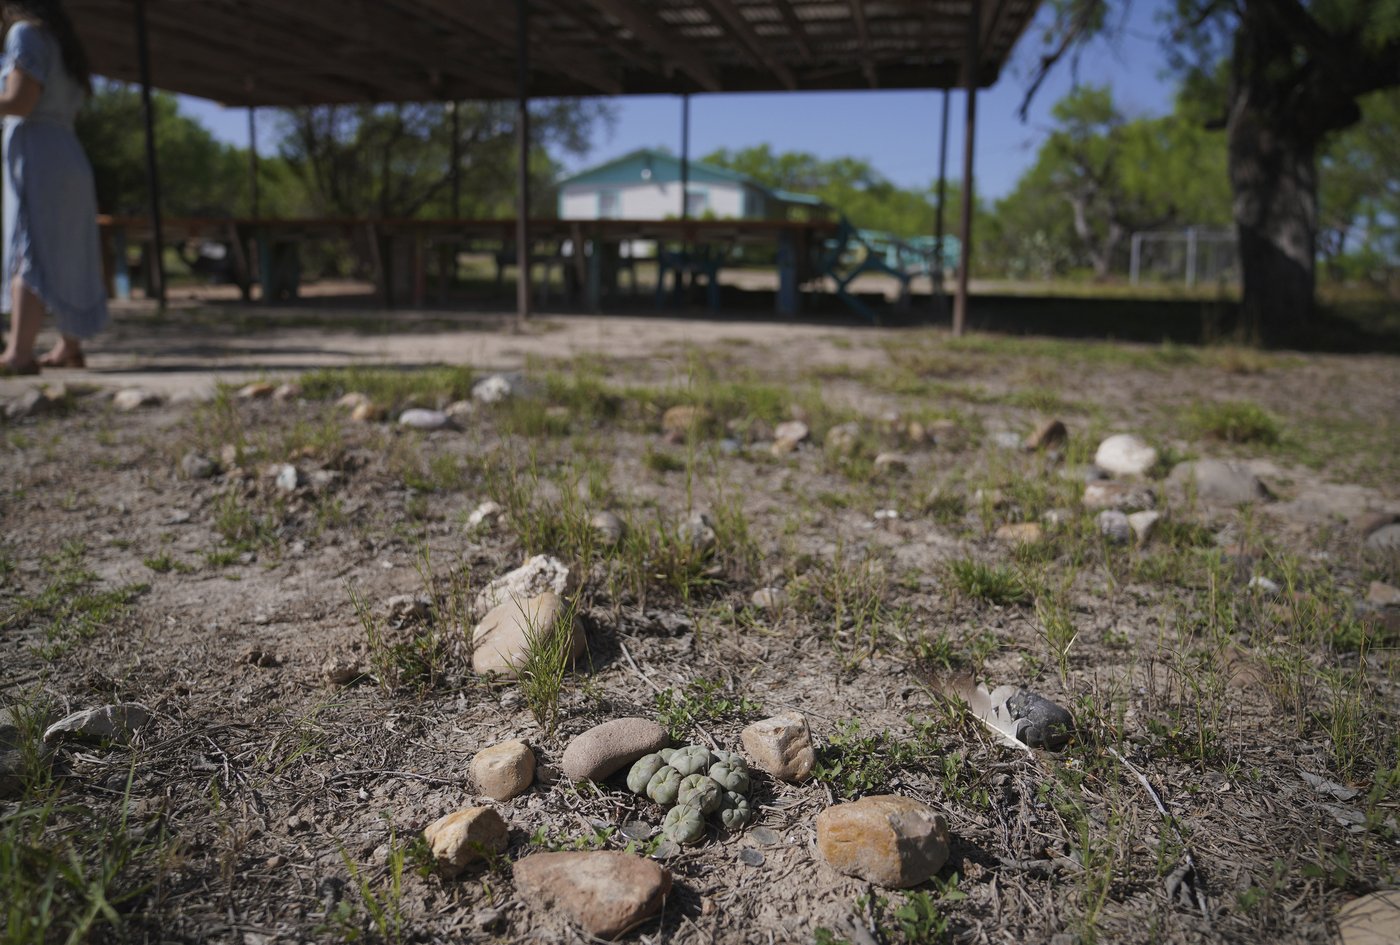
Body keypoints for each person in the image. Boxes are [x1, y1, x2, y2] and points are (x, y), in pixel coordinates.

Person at [0, 0, 106, 375]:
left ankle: (18, 352)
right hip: (67, 151)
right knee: (67, 251)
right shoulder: (62, 41)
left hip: (37, 154)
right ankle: (69, 346)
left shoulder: (24, 33)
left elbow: (21, 101)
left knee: (29, 246)